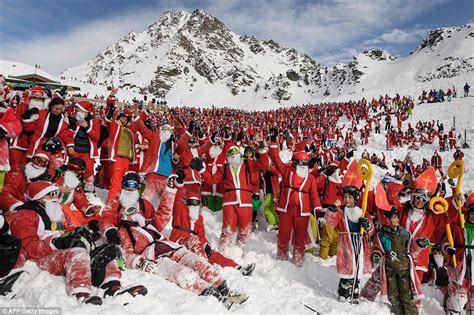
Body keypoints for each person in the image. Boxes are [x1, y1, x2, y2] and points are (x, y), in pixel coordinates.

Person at [7, 181, 145, 304]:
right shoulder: (25, 215)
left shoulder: (57, 210)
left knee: (105, 252)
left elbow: (73, 228)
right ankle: (81, 292)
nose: (56, 198)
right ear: (38, 197)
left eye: (56, 194)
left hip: (63, 251)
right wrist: (56, 242)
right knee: (77, 253)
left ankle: (112, 286)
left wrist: (84, 234)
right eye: (51, 195)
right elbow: (27, 247)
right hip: (42, 258)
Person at [193, 137, 269, 252]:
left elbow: (263, 164)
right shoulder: (224, 168)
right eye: (230, 153)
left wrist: (262, 148)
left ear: (239, 153)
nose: (233, 155)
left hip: (245, 202)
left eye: (235, 152)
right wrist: (201, 170)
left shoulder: (248, 164)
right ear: (227, 156)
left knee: (245, 229)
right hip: (229, 202)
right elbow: (212, 180)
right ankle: (224, 250)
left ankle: (242, 251)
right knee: (228, 229)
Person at [268, 129, 322, 266]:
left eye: (306, 163)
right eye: (301, 163)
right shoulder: (287, 172)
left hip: (302, 212)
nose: (304, 166)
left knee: (300, 238)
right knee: (283, 235)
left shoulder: (310, 178)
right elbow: (275, 158)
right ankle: (281, 258)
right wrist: (274, 141)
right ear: (295, 162)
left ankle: (298, 261)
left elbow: (314, 195)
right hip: (287, 209)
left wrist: (318, 210)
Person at [326, 161, 374, 302]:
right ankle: (344, 293)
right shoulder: (341, 212)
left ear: (356, 198)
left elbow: (371, 230)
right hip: (346, 244)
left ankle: (354, 292)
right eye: (345, 197)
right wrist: (332, 211)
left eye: (350, 197)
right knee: (347, 270)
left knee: (357, 269)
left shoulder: (362, 212)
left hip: (359, 243)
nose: (347, 200)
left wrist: (367, 225)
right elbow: (331, 222)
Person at [374, 207, 425, 315]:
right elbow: (377, 248)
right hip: (389, 270)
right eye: (393, 217)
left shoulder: (404, 234)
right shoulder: (381, 235)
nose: (397, 219)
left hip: (404, 269)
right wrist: (376, 255)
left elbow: (412, 247)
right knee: (393, 296)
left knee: (406, 295)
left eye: (397, 217)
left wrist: (419, 243)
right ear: (386, 219)